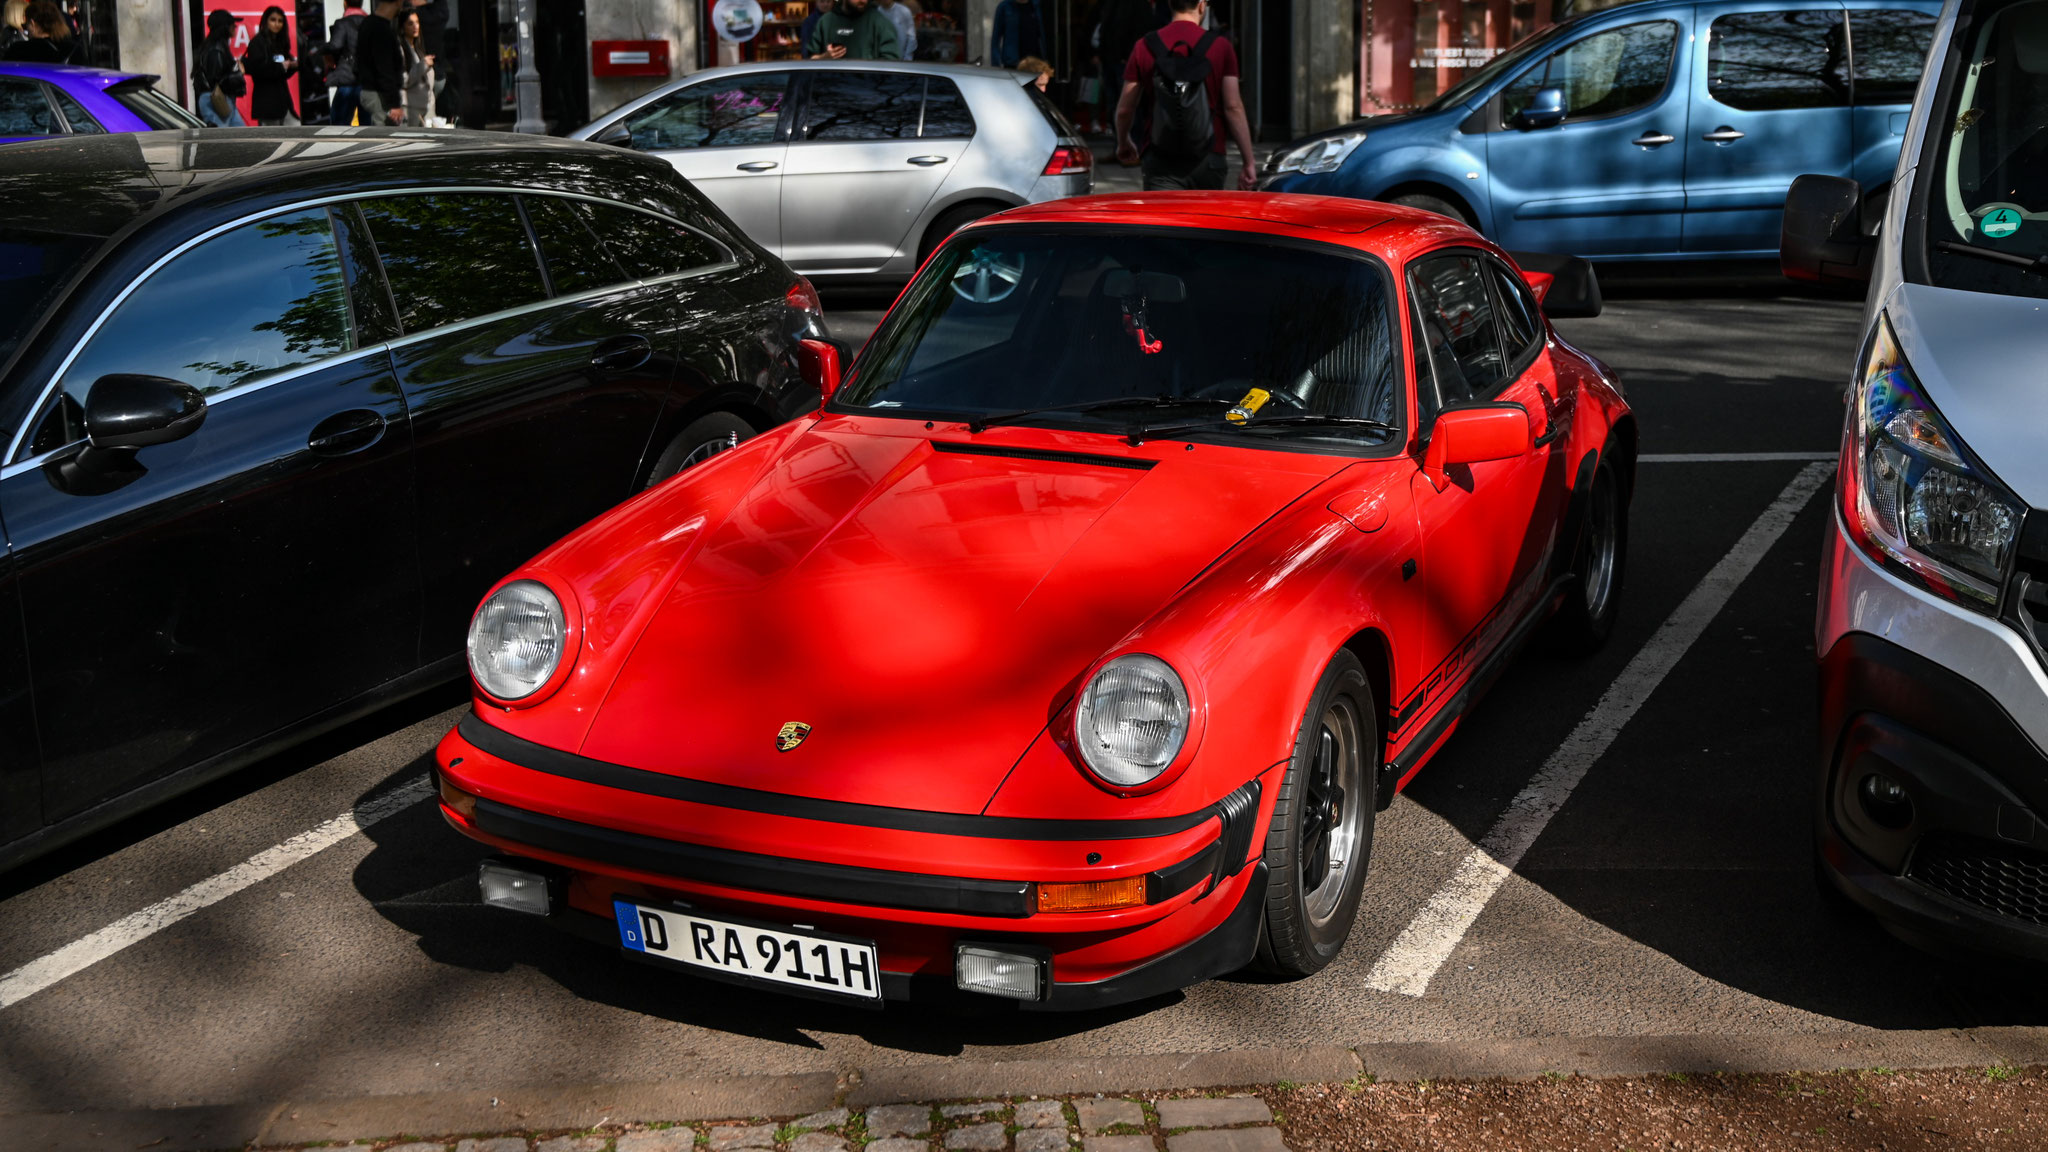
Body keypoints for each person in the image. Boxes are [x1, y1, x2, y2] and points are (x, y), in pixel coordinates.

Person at [1114, 0, 1255, 190]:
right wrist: (1249, 162)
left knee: (1163, 220)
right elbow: (1233, 107)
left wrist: (1124, 142)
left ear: (1170, 4)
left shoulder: (1144, 46)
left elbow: (1125, 109)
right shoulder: (1221, 47)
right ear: (1201, 5)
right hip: (1209, 157)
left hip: (1160, 159)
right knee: (1204, 220)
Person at [354, 0, 406, 126]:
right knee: (387, 136)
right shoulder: (381, 29)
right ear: (398, 2)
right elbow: (384, 68)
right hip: (380, 95)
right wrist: (394, 103)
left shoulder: (368, 23)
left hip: (372, 91)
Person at [244, 6, 298, 126]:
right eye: (273, 20)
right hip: (267, 103)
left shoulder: (280, 43)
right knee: (273, 142)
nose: (277, 24)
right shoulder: (257, 43)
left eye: (280, 21)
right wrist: (281, 67)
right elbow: (258, 70)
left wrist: (292, 66)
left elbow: (281, 72)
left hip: (283, 103)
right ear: (265, 21)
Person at [191, 10, 246, 125]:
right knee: (224, 139)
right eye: (232, 24)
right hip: (216, 101)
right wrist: (238, 72)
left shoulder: (217, 47)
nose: (235, 27)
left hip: (222, 100)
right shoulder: (216, 50)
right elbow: (217, 81)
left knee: (241, 137)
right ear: (224, 27)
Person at [802, 0, 897, 60]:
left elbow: (891, 63)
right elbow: (810, 59)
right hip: (830, 88)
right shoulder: (826, 21)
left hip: (867, 90)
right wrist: (824, 57)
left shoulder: (880, 23)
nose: (863, 1)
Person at [323, 4, 364, 125]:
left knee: (339, 125)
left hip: (347, 79)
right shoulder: (370, 22)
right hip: (366, 82)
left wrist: (321, 50)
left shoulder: (342, 23)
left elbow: (335, 46)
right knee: (367, 126)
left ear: (345, 3)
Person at [399, 8, 437, 126]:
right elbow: (404, 81)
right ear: (402, 27)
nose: (415, 26)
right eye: (410, 23)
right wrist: (423, 65)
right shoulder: (400, 50)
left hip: (427, 105)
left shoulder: (418, 48)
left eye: (417, 22)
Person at [3, 0, 73, 63]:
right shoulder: (72, 50)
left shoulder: (18, 50)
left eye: (26, 24)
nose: (25, 28)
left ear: (32, 23)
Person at [989, 0, 1042, 69]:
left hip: (1036, 62)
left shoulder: (1036, 6)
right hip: (1013, 63)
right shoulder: (1005, 7)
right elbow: (995, 40)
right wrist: (996, 65)